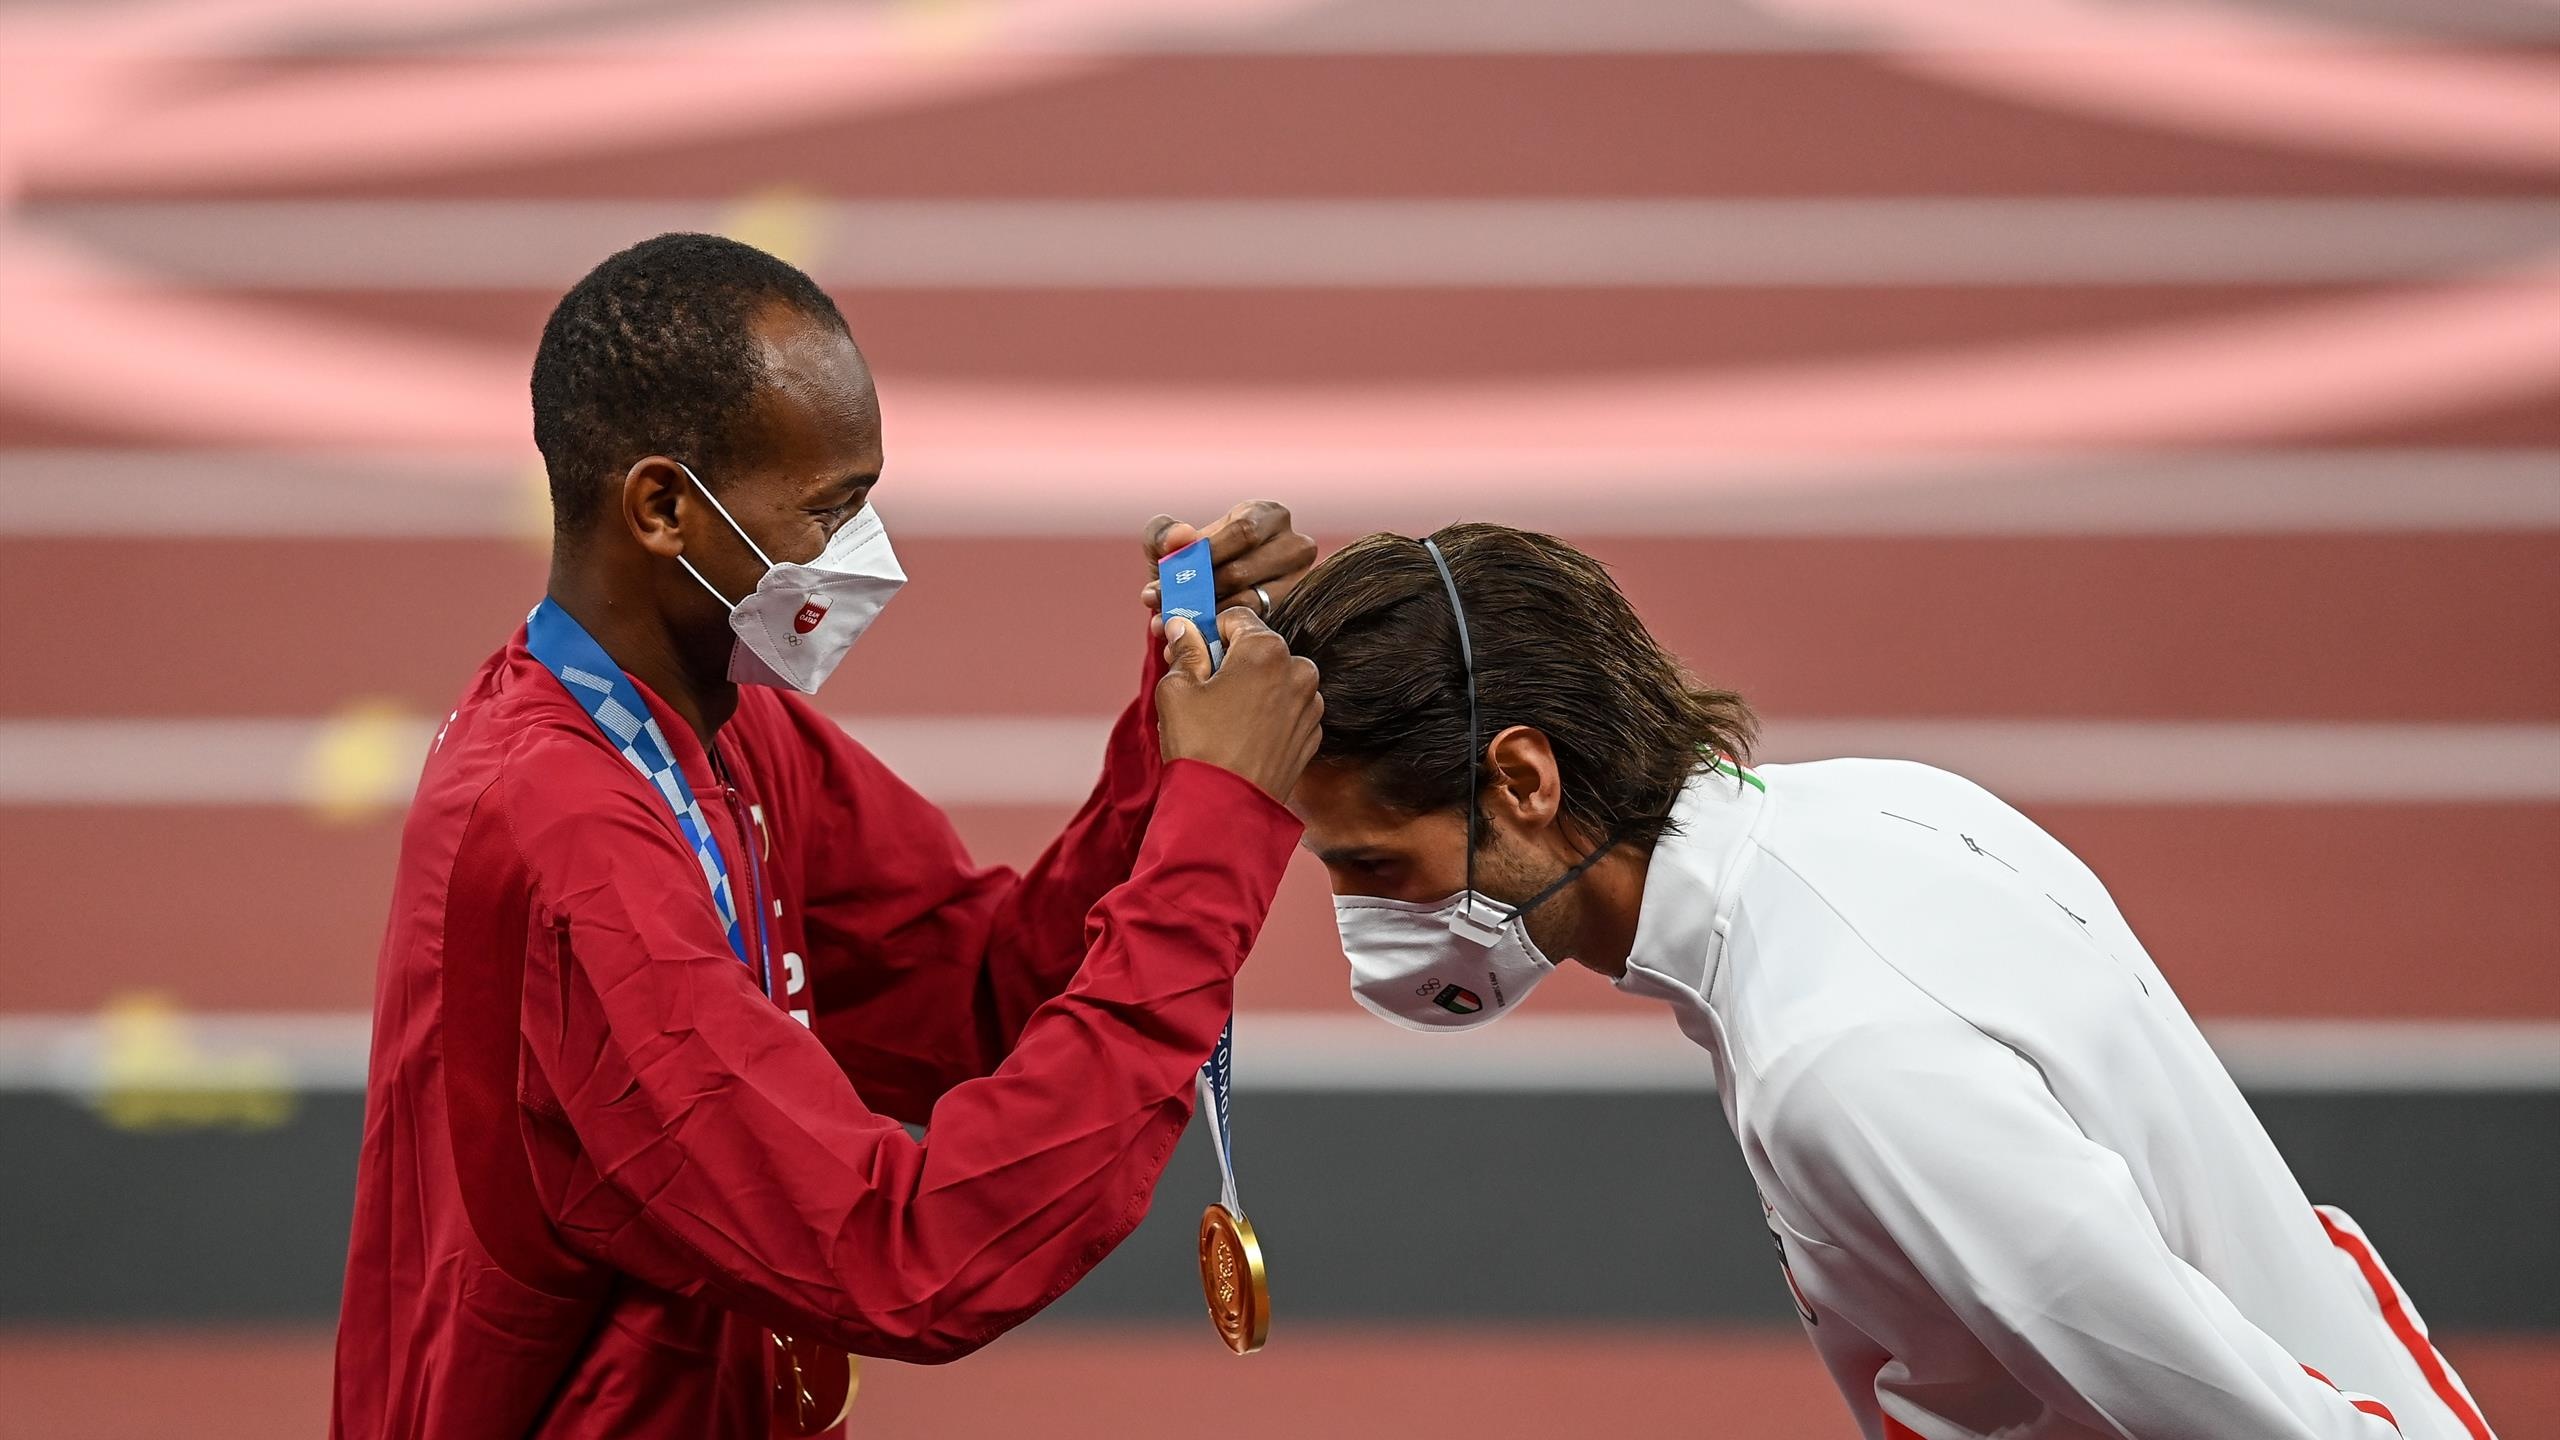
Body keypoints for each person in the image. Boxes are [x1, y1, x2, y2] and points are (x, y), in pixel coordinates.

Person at [331, 232, 1324, 1439]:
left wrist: (1176, 749)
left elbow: (988, 995)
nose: (867, 555)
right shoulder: (566, 840)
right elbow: (909, 1259)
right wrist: (1224, 824)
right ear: (663, 509)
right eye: (831, 508)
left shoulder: (726, 732)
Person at [1266, 523, 2498, 1440]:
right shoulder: (1883, 803)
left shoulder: (1841, 1062)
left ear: (1523, 781)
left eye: (1375, 860)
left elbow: (2219, 1411)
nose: (1365, 914)